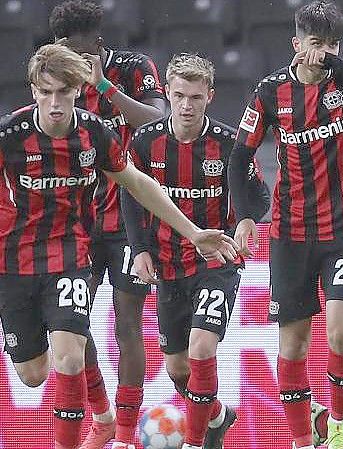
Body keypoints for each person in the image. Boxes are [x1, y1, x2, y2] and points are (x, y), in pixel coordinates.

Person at [0, 43, 237, 449]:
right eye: (46, 92)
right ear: (33, 91)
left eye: (64, 92)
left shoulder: (94, 132)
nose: (55, 103)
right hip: (13, 260)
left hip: (71, 255)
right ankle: (105, 415)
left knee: (71, 358)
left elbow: (140, 184)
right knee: (34, 373)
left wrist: (193, 232)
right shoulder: (9, 135)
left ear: (77, 90)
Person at [227, 2, 343, 448]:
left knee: (341, 334)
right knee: (294, 348)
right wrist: (245, 216)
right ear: (296, 44)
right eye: (316, 43)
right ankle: (304, 441)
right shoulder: (269, 93)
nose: (323, 53)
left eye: (332, 44)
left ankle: (338, 429)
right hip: (290, 235)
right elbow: (240, 157)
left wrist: (340, 64)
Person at [121, 54, 269, 449]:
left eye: (196, 98)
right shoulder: (144, 141)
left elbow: (259, 195)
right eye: (180, 96)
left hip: (217, 260)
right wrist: (139, 249)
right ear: (167, 93)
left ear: (210, 97)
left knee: (202, 347)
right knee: (177, 366)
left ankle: (196, 441)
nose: (187, 106)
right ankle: (218, 416)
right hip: (168, 262)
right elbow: (132, 197)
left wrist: (247, 219)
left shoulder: (229, 146)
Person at [48, 2, 169, 447]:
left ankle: (123, 434)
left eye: (81, 53)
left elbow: (161, 123)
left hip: (127, 218)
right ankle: (100, 412)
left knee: (126, 322)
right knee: (72, 326)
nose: (74, 63)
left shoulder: (134, 68)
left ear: (97, 43)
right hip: (74, 219)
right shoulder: (52, 82)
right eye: (66, 52)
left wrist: (103, 86)